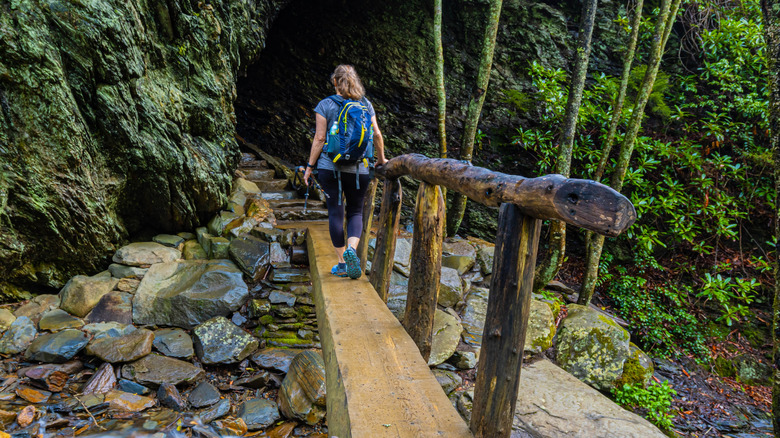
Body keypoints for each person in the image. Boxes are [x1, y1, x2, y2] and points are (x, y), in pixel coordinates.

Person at [303, 65, 387, 279]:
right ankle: (352, 249)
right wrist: (381, 160)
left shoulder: (325, 105)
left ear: (335, 82)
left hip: (330, 167)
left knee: (335, 212)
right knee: (356, 212)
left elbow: (320, 139)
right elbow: (376, 134)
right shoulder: (366, 105)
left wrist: (310, 167)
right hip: (359, 169)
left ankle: (342, 263)